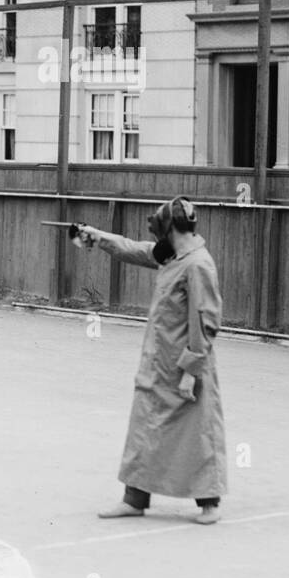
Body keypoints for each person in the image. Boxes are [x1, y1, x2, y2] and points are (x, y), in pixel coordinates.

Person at [76, 197, 227, 525]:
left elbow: (206, 320)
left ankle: (210, 502)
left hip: (186, 366)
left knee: (196, 434)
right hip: (157, 364)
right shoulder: (172, 256)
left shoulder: (198, 264)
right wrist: (98, 236)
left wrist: (190, 371)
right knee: (143, 428)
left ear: (171, 227)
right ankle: (134, 499)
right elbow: (136, 249)